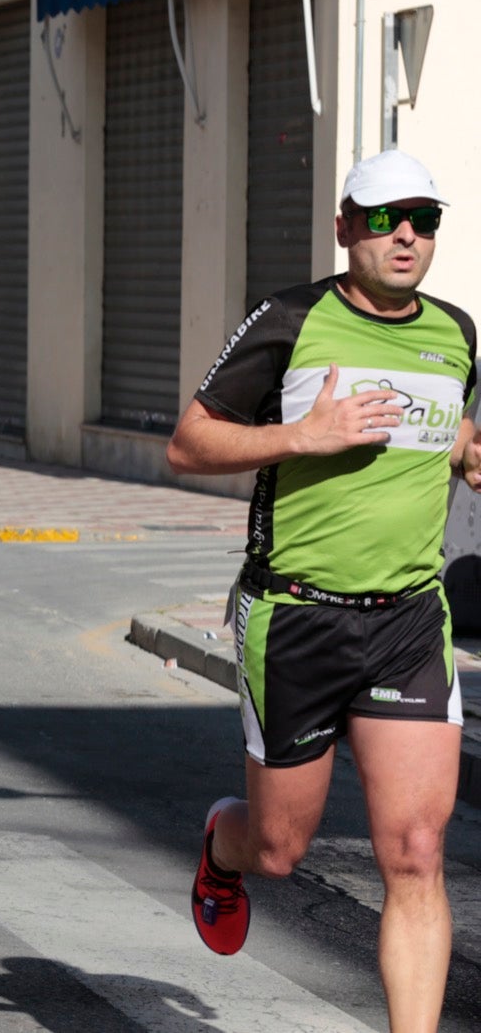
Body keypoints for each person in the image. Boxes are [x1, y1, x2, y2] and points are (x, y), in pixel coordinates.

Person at [167, 150, 478, 1033]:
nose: (406, 234)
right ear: (345, 227)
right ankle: (222, 846)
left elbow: (446, 425)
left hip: (410, 622)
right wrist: (303, 435)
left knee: (417, 853)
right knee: (279, 846)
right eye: (385, 217)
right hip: (296, 616)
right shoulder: (290, 319)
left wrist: (467, 451)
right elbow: (189, 443)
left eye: (424, 218)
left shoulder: (457, 330)